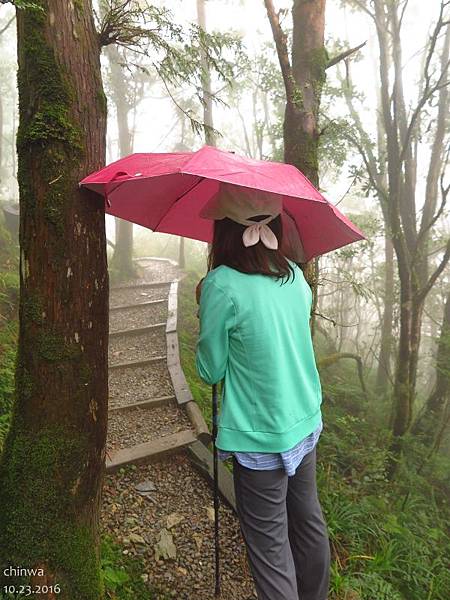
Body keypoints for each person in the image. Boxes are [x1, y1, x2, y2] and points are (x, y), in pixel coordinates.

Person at [195, 183, 331, 600]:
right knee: (307, 523)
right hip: (304, 424)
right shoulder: (295, 278)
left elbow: (209, 369)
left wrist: (205, 307)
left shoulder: (222, 285)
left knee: (270, 546)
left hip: (258, 439)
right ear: (276, 224)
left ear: (224, 230)